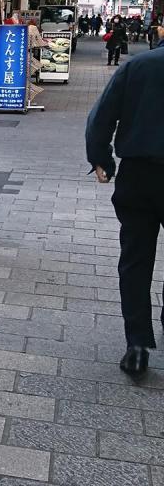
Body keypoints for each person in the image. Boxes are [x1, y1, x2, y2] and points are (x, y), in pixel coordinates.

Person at [86, 36, 164, 375]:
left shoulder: (137, 66)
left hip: (139, 174)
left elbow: (101, 116)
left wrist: (102, 158)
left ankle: (137, 345)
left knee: (135, 258)